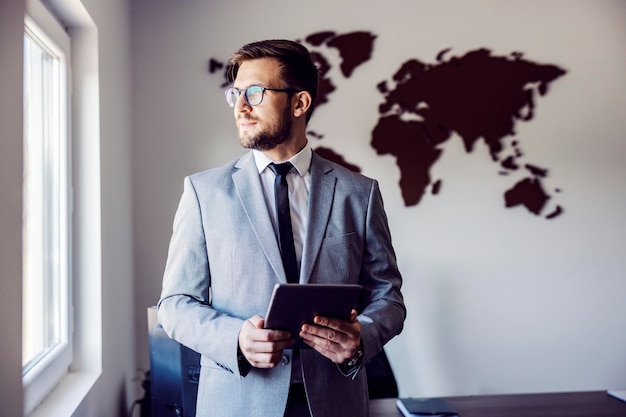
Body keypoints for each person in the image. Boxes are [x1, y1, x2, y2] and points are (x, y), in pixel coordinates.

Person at [158, 39, 406, 417]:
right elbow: (174, 306)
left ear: (299, 102)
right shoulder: (203, 192)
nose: (240, 107)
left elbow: (388, 298)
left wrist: (361, 339)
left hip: (334, 402)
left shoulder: (360, 193)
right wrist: (235, 338)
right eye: (235, 94)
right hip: (237, 399)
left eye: (254, 93)